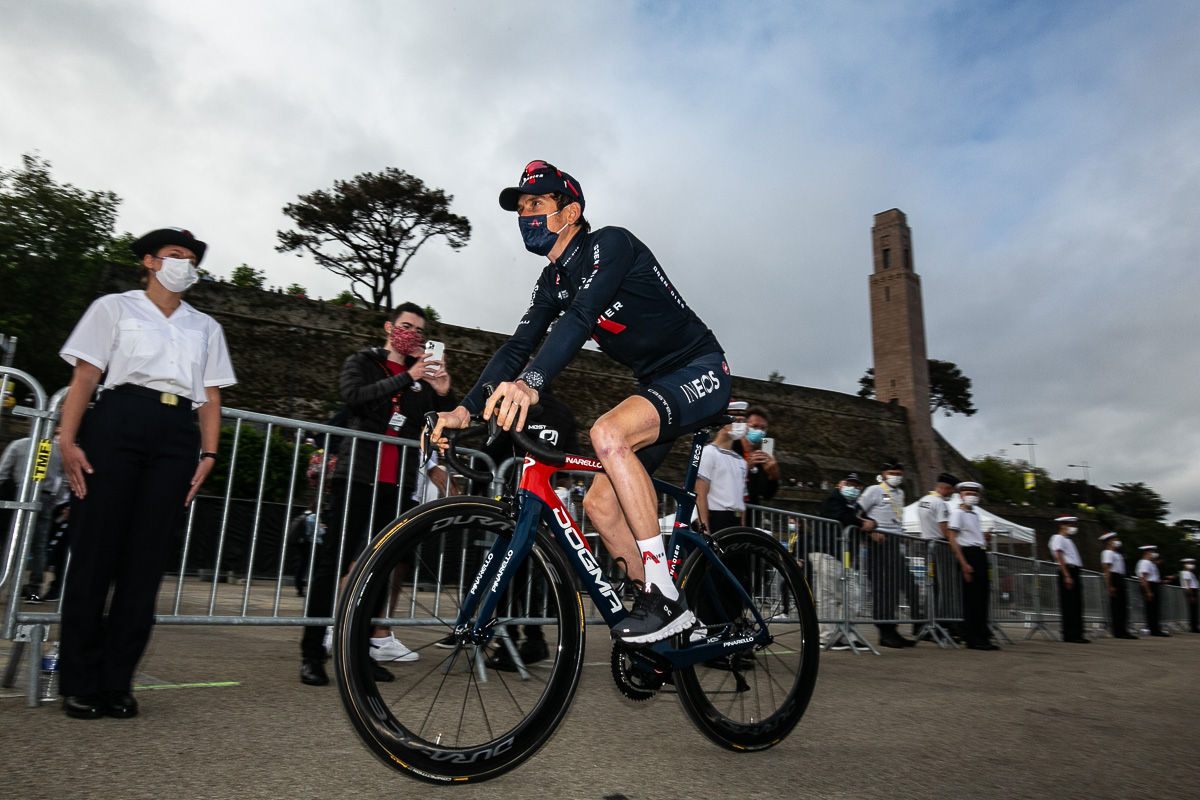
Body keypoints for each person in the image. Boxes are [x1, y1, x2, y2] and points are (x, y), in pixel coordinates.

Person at [432, 160, 729, 645]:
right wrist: (463, 409)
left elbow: (581, 317)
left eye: (535, 205)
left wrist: (531, 384)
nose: (524, 215)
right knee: (600, 504)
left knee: (606, 432)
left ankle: (664, 594)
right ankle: (672, 626)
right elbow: (517, 346)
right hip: (656, 383)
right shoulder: (552, 282)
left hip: (700, 368)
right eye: (520, 207)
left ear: (569, 212)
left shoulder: (609, 244)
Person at [56, 227, 236, 719]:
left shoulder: (205, 327)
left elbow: (212, 397)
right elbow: (86, 375)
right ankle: (79, 680)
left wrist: (209, 455)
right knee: (95, 552)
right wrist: (67, 439)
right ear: (151, 262)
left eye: (192, 258)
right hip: (117, 421)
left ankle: (117, 682)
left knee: (145, 562)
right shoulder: (113, 308)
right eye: (175, 255)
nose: (185, 263)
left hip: (176, 432)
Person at [300, 303, 456, 686]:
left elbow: (444, 428)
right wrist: (407, 377)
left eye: (418, 331)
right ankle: (311, 653)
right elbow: (355, 397)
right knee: (333, 564)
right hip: (357, 479)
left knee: (379, 570)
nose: (411, 335)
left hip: (396, 485)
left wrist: (445, 394)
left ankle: (361, 653)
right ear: (389, 327)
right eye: (405, 326)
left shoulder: (423, 378)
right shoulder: (363, 361)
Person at [858, 459, 918, 648]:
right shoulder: (873, 490)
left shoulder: (900, 493)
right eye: (893, 472)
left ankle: (893, 629)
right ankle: (885, 632)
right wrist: (871, 528)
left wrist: (902, 534)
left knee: (903, 586)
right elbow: (857, 511)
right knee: (883, 589)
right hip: (878, 543)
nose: (896, 476)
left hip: (894, 542)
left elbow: (895, 517)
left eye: (899, 473)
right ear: (884, 474)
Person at [0, 430, 64, 601]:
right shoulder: (56, 449)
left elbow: (2, 472)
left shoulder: (19, 444)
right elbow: (63, 479)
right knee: (39, 544)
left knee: (8, 540)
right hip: (45, 497)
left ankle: (2, 580)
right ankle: (34, 589)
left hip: (19, 493)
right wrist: (54, 499)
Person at [815, 472, 874, 649]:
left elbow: (866, 520)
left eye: (857, 486)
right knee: (828, 596)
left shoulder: (854, 506)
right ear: (841, 485)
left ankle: (844, 634)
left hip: (843, 556)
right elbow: (844, 517)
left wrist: (870, 523)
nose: (853, 488)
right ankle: (825, 637)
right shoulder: (834, 500)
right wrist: (862, 522)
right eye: (850, 484)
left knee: (852, 595)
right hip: (827, 552)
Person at [946, 482, 997, 650]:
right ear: (960, 495)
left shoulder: (974, 515)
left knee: (982, 596)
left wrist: (984, 539)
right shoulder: (957, 513)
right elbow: (953, 538)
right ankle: (973, 638)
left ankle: (982, 635)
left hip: (979, 552)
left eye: (975, 493)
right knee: (972, 598)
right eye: (968, 492)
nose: (972, 496)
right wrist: (964, 563)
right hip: (968, 554)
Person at [916, 473, 962, 642]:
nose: (951, 494)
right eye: (951, 491)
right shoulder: (940, 503)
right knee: (946, 587)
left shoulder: (923, 500)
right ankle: (944, 623)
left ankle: (928, 622)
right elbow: (945, 530)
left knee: (932, 586)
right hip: (940, 546)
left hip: (926, 544)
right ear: (945, 488)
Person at [695, 401, 749, 533]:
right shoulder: (708, 453)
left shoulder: (741, 461)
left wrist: (742, 527)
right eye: (737, 420)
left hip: (735, 521)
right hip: (717, 518)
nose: (741, 425)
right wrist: (704, 530)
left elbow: (740, 499)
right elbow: (700, 495)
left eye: (743, 421)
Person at [1048, 515, 1088, 644]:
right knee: (1069, 604)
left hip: (1074, 570)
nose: (1072, 527)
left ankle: (1077, 632)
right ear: (1062, 525)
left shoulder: (1068, 540)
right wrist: (1066, 575)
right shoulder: (1058, 538)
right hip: (1068, 570)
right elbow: (1059, 556)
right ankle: (1070, 634)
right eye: (1070, 524)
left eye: (1073, 525)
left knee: (1076, 603)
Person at [738, 406, 780, 519]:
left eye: (763, 428)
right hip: (729, 514)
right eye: (754, 426)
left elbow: (766, 494)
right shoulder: (732, 449)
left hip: (750, 518)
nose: (759, 431)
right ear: (744, 426)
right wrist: (746, 468)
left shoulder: (761, 457)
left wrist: (773, 476)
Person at [1100, 532, 1135, 639]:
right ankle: (1118, 631)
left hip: (1120, 577)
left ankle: (1123, 629)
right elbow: (1107, 569)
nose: (1117, 541)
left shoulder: (1117, 554)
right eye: (1114, 539)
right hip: (1114, 578)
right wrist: (1109, 585)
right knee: (1116, 607)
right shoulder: (1108, 553)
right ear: (1109, 541)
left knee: (1122, 606)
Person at [1135, 545, 1168, 637]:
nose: (1154, 553)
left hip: (1153, 585)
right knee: (1151, 609)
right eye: (1152, 551)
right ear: (1147, 552)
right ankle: (1154, 629)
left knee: (1154, 609)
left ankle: (1155, 628)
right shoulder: (1145, 562)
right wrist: (1148, 591)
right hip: (1149, 585)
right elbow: (1143, 578)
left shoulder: (1151, 563)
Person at [1181, 558, 1199, 633]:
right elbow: (1187, 584)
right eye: (1188, 563)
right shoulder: (1186, 573)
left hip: (1193, 590)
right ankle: (1193, 627)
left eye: (1191, 563)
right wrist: (1191, 595)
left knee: (1194, 610)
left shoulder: (1191, 573)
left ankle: (1194, 626)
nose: (1191, 565)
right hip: (1191, 591)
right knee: (1192, 610)